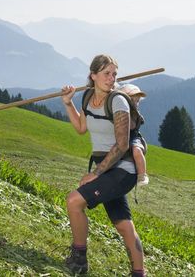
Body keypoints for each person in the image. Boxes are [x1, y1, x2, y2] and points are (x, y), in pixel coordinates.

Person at [61, 54, 145, 276]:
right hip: (107, 170)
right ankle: (139, 273)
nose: (111, 78)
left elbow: (122, 144)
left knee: (73, 201)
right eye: (106, 74)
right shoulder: (87, 97)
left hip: (122, 170)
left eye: (114, 74)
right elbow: (81, 127)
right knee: (123, 225)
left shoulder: (118, 101)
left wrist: (96, 173)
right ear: (93, 75)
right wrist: (68, 103)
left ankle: (79, 261)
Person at [118, 83, 149, 186]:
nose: (135, 103)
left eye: (137, 101)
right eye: (133, 100)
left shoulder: (134, 113)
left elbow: (131, 126)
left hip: (133, 137)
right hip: (121, 136)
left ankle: (142, 174)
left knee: (137, 151)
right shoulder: (119, 109)